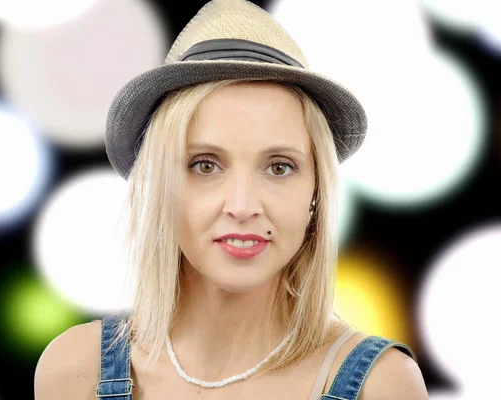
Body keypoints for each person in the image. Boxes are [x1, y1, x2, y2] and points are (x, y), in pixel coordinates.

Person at [34, 0, 429, 399]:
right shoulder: (74, 370)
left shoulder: (381, 384)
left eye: (278, 167)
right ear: (160, 188)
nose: (242, 207)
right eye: (205, 165)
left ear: (316, 193)